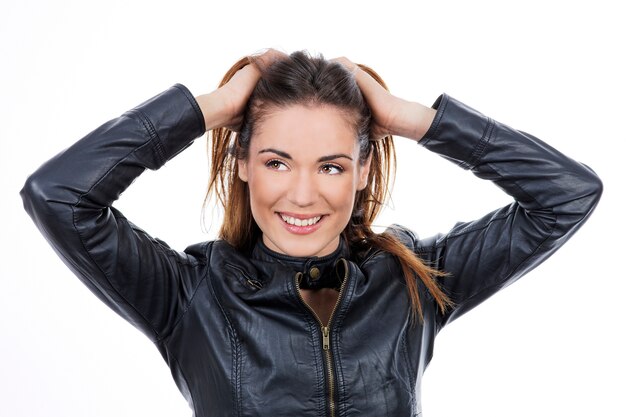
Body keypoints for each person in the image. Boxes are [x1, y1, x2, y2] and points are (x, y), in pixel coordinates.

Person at [20, 49, 602, 417]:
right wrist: (212, 107)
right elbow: (58, 195)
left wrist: (409, 118)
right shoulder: (189, 295)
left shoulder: (412, 282)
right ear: (241, 162)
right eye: (276, 162)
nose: (302, 194)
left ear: (362, 170)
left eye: (331, 165)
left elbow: (566, 195)